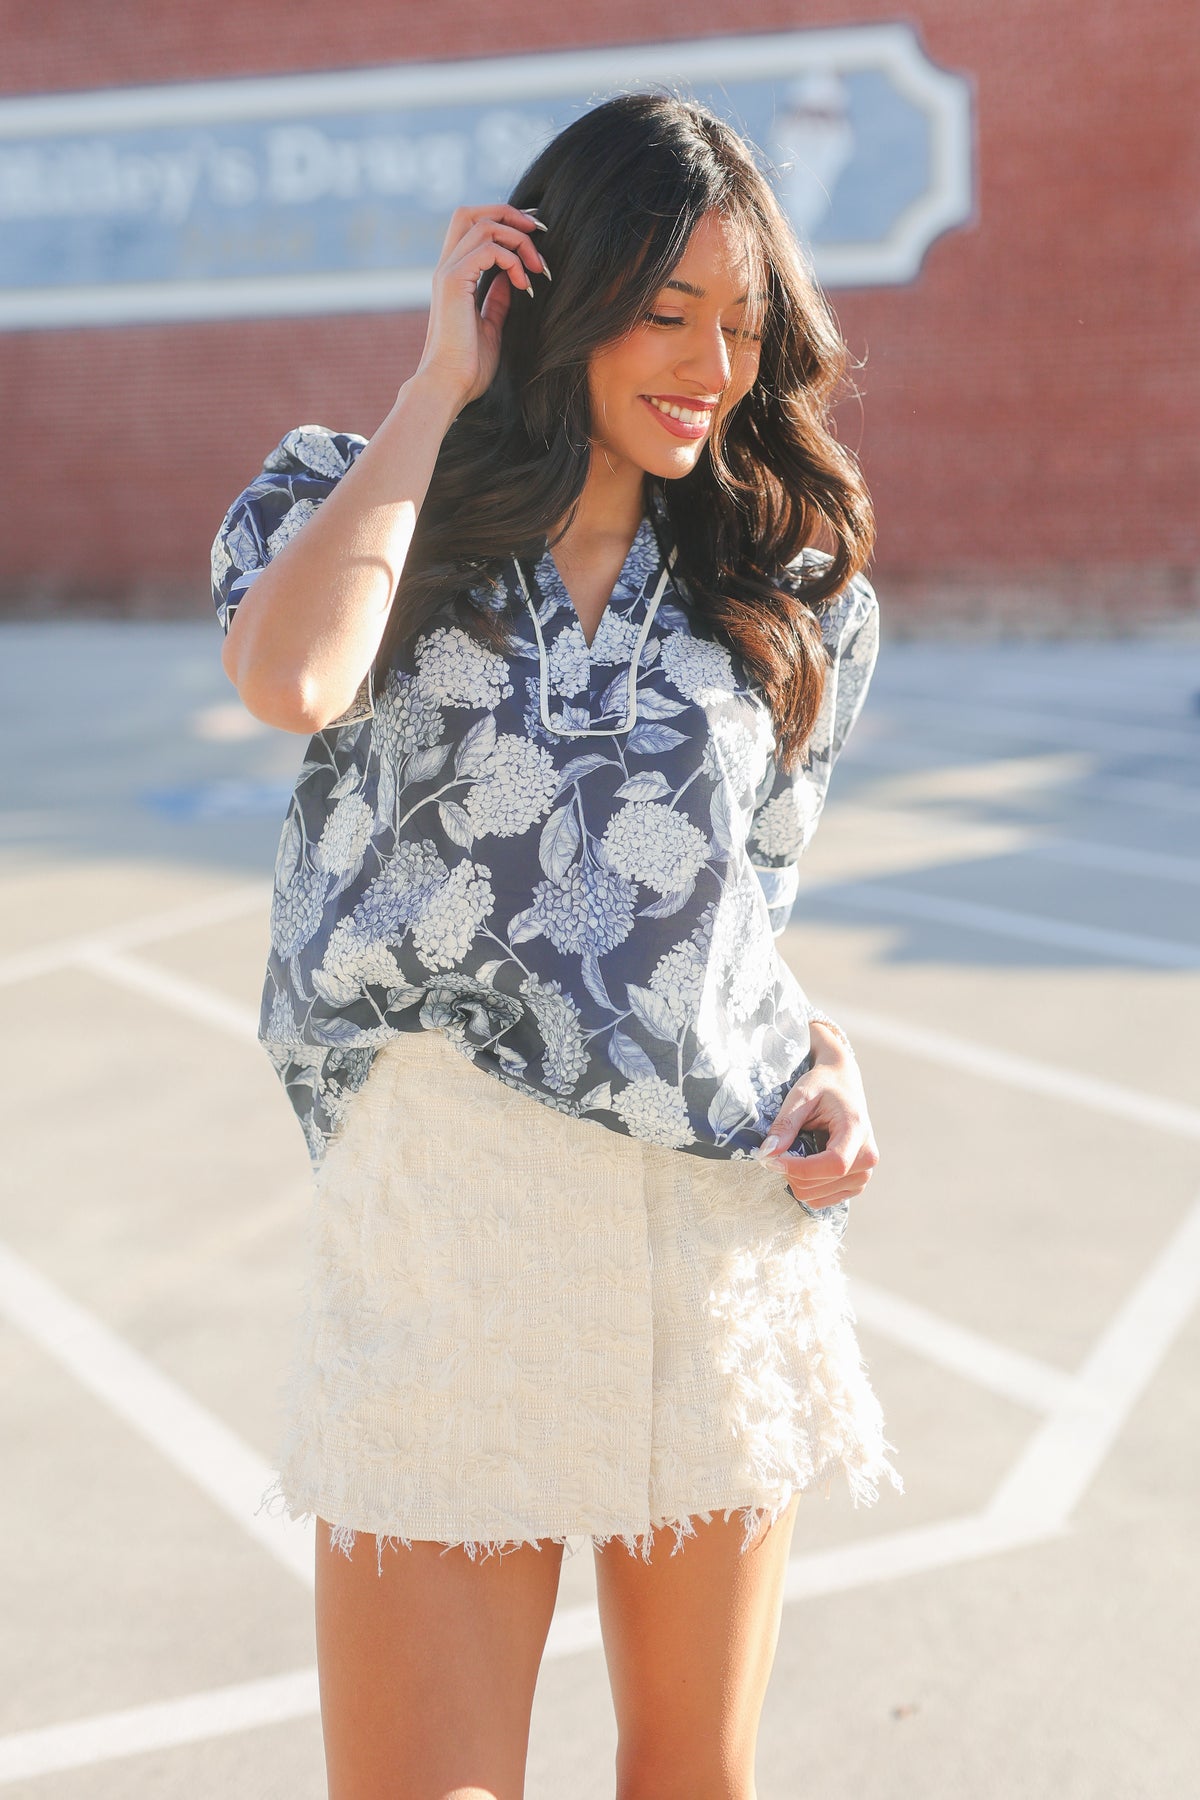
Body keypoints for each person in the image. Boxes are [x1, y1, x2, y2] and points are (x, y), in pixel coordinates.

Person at [212, 89, 902, 1800]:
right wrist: (436, 384)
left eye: (743, 325)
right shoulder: (356, 497)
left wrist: (827, 1058)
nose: (712, 364)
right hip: (455, 1216)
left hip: (710, 1222)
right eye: (668, 312)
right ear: (554, 294)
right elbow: (290, 679)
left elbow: (749, 900)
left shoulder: (784, 583)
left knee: (690, 1776)